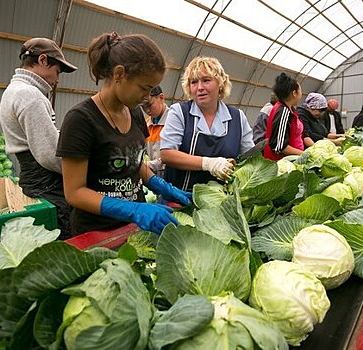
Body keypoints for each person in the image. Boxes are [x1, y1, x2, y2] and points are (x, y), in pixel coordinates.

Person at [56, 32, 191, 236]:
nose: (147, 97)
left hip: (134, 229)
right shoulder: (81, 119)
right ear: (119, 74)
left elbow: (134, 163)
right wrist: (133, 209)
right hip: (97, 231)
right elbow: (75, 193)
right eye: (144, 88)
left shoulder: (135, 113)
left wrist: (162, 185)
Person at [0, 37, 77, 239]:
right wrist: (79, 172)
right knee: (64, 238)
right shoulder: (29, 95)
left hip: (34, 179)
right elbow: (49, 155)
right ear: (43, 60)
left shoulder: (13, 91)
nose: (57, 78)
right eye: (57, 71)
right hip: (47, 183)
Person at [160, 56, 254, 191]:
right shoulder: (180, 112)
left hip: (223, 200)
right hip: (180, 199)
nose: (199, 88)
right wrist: (208, 163)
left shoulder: (237, 117)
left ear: (220, 83)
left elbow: (250, 157)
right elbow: (167, 154)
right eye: (193, 82)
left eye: (206, 80)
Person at [263, 73, 311, 159]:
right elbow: (279, 146)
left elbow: (302, 134)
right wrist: (304, 155)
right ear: (294, 93)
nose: (301, 94)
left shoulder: (291, 110)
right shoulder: (283, 112)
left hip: (294, 160)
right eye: (300, 91)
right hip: (281, 163)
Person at [141, 85, 168, 178]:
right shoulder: (146, 124)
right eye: (143, 107)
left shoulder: (173, 122)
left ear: (161, 98)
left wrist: (146, 165)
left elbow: (172, 156)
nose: (147, 110)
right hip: (153, 175)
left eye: (149, 105)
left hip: (170, 175)